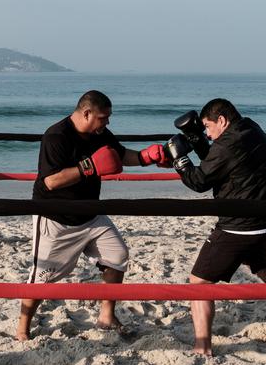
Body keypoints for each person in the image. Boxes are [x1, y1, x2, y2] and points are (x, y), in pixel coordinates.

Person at [17, 90, 169, 340]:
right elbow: (51, 182)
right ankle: (22, 328)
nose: (107, 123)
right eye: (102, 118)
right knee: (41, 279)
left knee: (117, 255)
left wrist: (145, 157)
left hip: (91, 214)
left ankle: (106, 315)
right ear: (86, 113)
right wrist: (89, 166)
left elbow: (118, 155)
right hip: (56, 218)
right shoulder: (56, 136)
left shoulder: (99, 133)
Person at [169, 98, 266, 356]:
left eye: (208, 127)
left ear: (222, 120)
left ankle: (202, 346)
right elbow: (221, 161)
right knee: (258, 262)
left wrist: (180, 160)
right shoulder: (250, 127)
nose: (208, 134)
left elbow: (200, 181)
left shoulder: (226, 144)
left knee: (199, 282)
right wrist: (200, 142)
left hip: (241, 227)